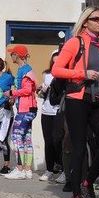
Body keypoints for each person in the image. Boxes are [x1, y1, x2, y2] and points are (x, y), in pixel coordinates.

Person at [52, 6, 99, 198]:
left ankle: (87, 183)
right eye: (95, 19)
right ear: (85, 22)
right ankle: (77, 195)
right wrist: (82, 73)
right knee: (79, 148)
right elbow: (56, 69)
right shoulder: (75, 42)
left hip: (98, 101)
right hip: (77, 99)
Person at [3, 46, 38, 180]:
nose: (10, 56)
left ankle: (19, 169)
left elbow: (28, 90)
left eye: (12, 54)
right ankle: (27, 170)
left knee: (17, 137)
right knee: (26, 139)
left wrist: (12, 93)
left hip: (25, 109)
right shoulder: (25, 69)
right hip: (28, 108)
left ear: (17, 55)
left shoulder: (25, 70)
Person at [38, 53, 63, 182]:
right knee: (48, 141)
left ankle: (63, 168)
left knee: (58, 140)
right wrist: (42, 90)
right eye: (53, 62)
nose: (55, 64)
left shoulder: (64, 75)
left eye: (58, 62)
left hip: (59, 110)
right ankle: (49, 169)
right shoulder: (47, 74)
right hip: (47, 110)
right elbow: (42, 94)